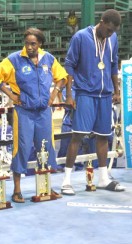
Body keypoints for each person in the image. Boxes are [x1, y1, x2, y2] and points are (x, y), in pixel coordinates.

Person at [0, 27, 68, 203]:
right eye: (27, 43)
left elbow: (62, 76)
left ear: (40, 44)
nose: (29, 47)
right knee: (21, 149)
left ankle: (45, 187)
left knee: (45, 148)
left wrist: (54, 94)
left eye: (33, 44)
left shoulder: (49, 59)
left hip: (44, 112)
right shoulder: (15, 59)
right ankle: (17, 190)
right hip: (23, 112)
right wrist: (11, 95)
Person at [61, 9, 125, 195]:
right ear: (102, 22)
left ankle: (104, 178)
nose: (110, 34)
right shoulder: (81, 37)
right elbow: (69, 65)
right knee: (78, 136)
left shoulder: (112, 39)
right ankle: (66, 180)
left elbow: (113, 64)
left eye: (113, 32)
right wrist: (69, 96)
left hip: (105, 95)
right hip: (85, 93)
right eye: (108, 30)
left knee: (103, 136)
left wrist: (116, 91)